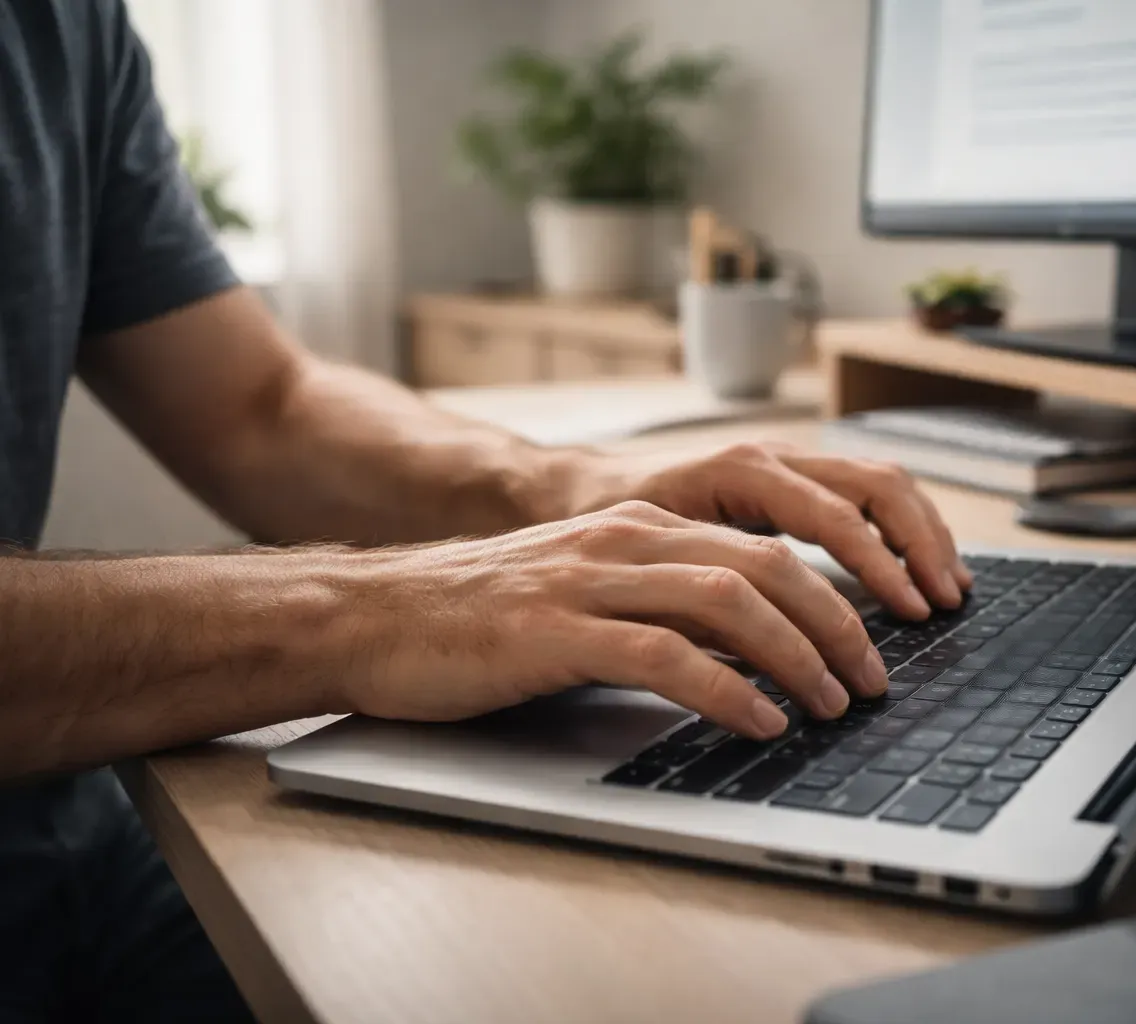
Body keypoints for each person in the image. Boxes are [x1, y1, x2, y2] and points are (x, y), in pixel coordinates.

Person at [0, 2, 970, 1021]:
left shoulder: (71, 26)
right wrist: (363, 610)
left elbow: (262, 408)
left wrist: (560, 491)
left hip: (79, 829)